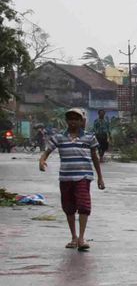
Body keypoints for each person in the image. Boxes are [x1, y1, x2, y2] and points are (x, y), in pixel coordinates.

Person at [39, 108, 106, 252]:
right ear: (66, 121)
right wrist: (42, 160)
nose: (73, 122)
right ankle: (73, 237)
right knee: (68, 207)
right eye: (70, 119)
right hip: (66, 178)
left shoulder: (89, 137)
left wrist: (100, 177)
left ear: (81, 121)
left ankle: (81, 238)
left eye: (76, 119)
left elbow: (95, 157)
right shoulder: (59, 137)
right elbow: (47, 151)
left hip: (83, 177)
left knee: (84, 206)